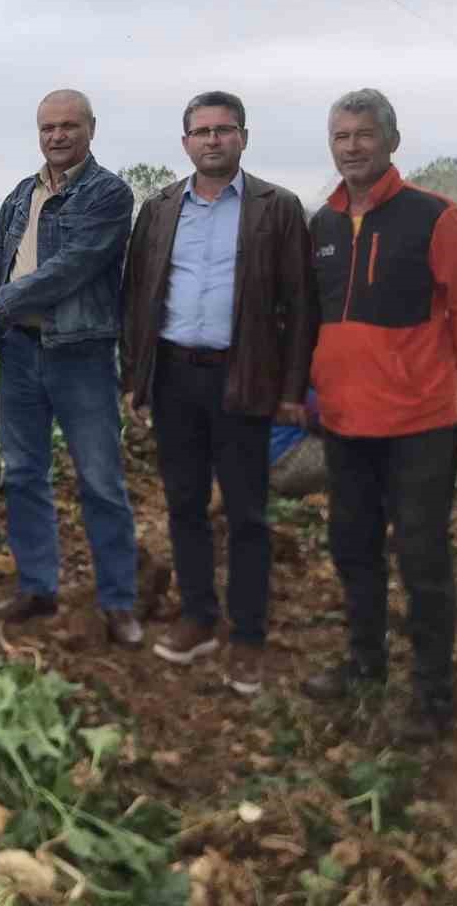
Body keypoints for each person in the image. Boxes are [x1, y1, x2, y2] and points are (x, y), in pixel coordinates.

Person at [302, 88, 457, 742]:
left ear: (390, 141)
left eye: (363, 134)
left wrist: (438, 369)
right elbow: (315, 315)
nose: (352, 147)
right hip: (345, 422)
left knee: (421, 558)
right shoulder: (324, 226)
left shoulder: (433, 217)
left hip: (420, 426)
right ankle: (365, 664)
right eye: (341, 136)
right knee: (353, 548)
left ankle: (433, 697)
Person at [0, 89, 142, 645]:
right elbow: (1, 261)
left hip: (80, 353)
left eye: (68, 126)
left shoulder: (108, 194)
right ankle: (38, 586)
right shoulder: (23, 193)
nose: (57, 136)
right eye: (48, 127)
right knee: (22, 473)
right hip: (21, 351)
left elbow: (70, 269)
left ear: (91, 128)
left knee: (100, 480)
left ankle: (118, 601)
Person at [120, 90, 317, 696]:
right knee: (184, 504)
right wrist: (136, 378)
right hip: (175, 376)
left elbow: (301, 307)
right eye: (201, 131)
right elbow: (137, 296)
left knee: (247, 512)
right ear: (185, 142)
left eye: (223, 130)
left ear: (243, 138)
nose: (212, 140)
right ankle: (199, 618)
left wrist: (292, 389)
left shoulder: (276, 209)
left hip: (244, 376)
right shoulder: (159, 209)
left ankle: (249, 637)